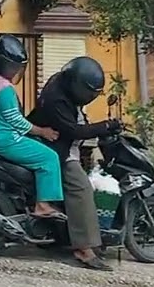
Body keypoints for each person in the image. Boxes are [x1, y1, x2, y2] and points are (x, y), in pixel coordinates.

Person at [27, 56, 122, 272]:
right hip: (55, 147)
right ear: (78, 86)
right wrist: (104, 126)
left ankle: (64, 235)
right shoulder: (56, 98)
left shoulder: (61, 83)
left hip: (61, 144)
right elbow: (73, 131)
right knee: (81, 188)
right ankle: (84, 248)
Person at [0, 35, 64, 220]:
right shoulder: (4, 88)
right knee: (48, 158)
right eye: (13, 66)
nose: (15, 71)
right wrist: (42, 131)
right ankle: (43, 205)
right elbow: (16, 121)